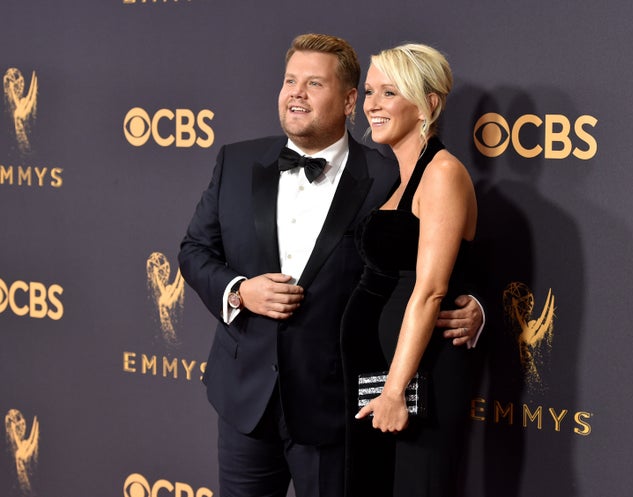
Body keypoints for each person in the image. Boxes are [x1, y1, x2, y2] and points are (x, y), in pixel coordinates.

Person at [178, 33, 483, 497]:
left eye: (313, 83)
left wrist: (475, 304)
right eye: (289, 80)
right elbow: (194, 250)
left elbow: (429, 256)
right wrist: (239, 290)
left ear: (347, 100)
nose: (296, 93)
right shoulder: (235, 162)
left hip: (336, 404)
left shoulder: (389, 174)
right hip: (244, 400)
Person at [342, 43, 477, 497]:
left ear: (428, 104)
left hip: (419, 380)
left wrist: (396, 390)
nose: (372, 105)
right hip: (381, 375)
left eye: (389, 93)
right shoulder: (400, 177)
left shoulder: (441, 173)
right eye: (370, 92)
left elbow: (431, 290)